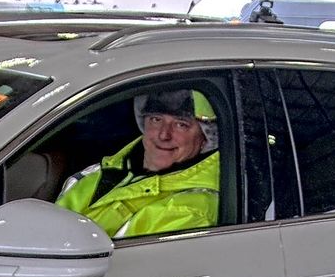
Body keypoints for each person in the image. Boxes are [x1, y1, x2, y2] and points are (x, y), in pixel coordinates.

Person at [55, 89, 220, 238]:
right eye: (156, 119)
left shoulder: (192, 209)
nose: (164, 135)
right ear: (143, 122)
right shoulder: (98, 173)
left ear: (205, 138)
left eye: (180, 124)